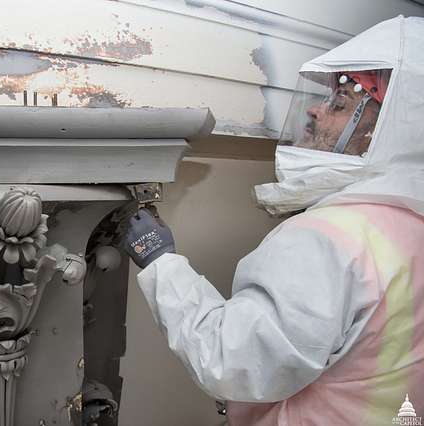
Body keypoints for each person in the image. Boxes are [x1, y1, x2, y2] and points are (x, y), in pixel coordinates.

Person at [124, 16, 424, 425]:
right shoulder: (410, 224)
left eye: (340, 104)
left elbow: (230, 360)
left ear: (384, 130)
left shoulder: (329, 240)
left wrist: (160, 262)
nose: (316, 110)